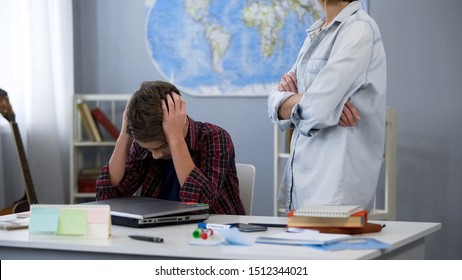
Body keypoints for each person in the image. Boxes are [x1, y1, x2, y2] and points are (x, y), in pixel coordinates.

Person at [267, 0, 386, 212]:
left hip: (334, 190)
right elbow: (274, 104)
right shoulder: (316, 33)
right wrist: (322, 102)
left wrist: (311, 102)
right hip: (302, 185)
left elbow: (318, 109)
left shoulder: (359, 28)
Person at [96, 81, 245, 215]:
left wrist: (175, 139)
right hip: (163, 236)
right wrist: (124, 137)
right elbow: (107, 199)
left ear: (182, 121)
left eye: (161, 147)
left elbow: (200, 205)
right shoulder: (146, 145)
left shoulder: (215, 138)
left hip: (214, 235)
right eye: (149, 149)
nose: (155, 155)